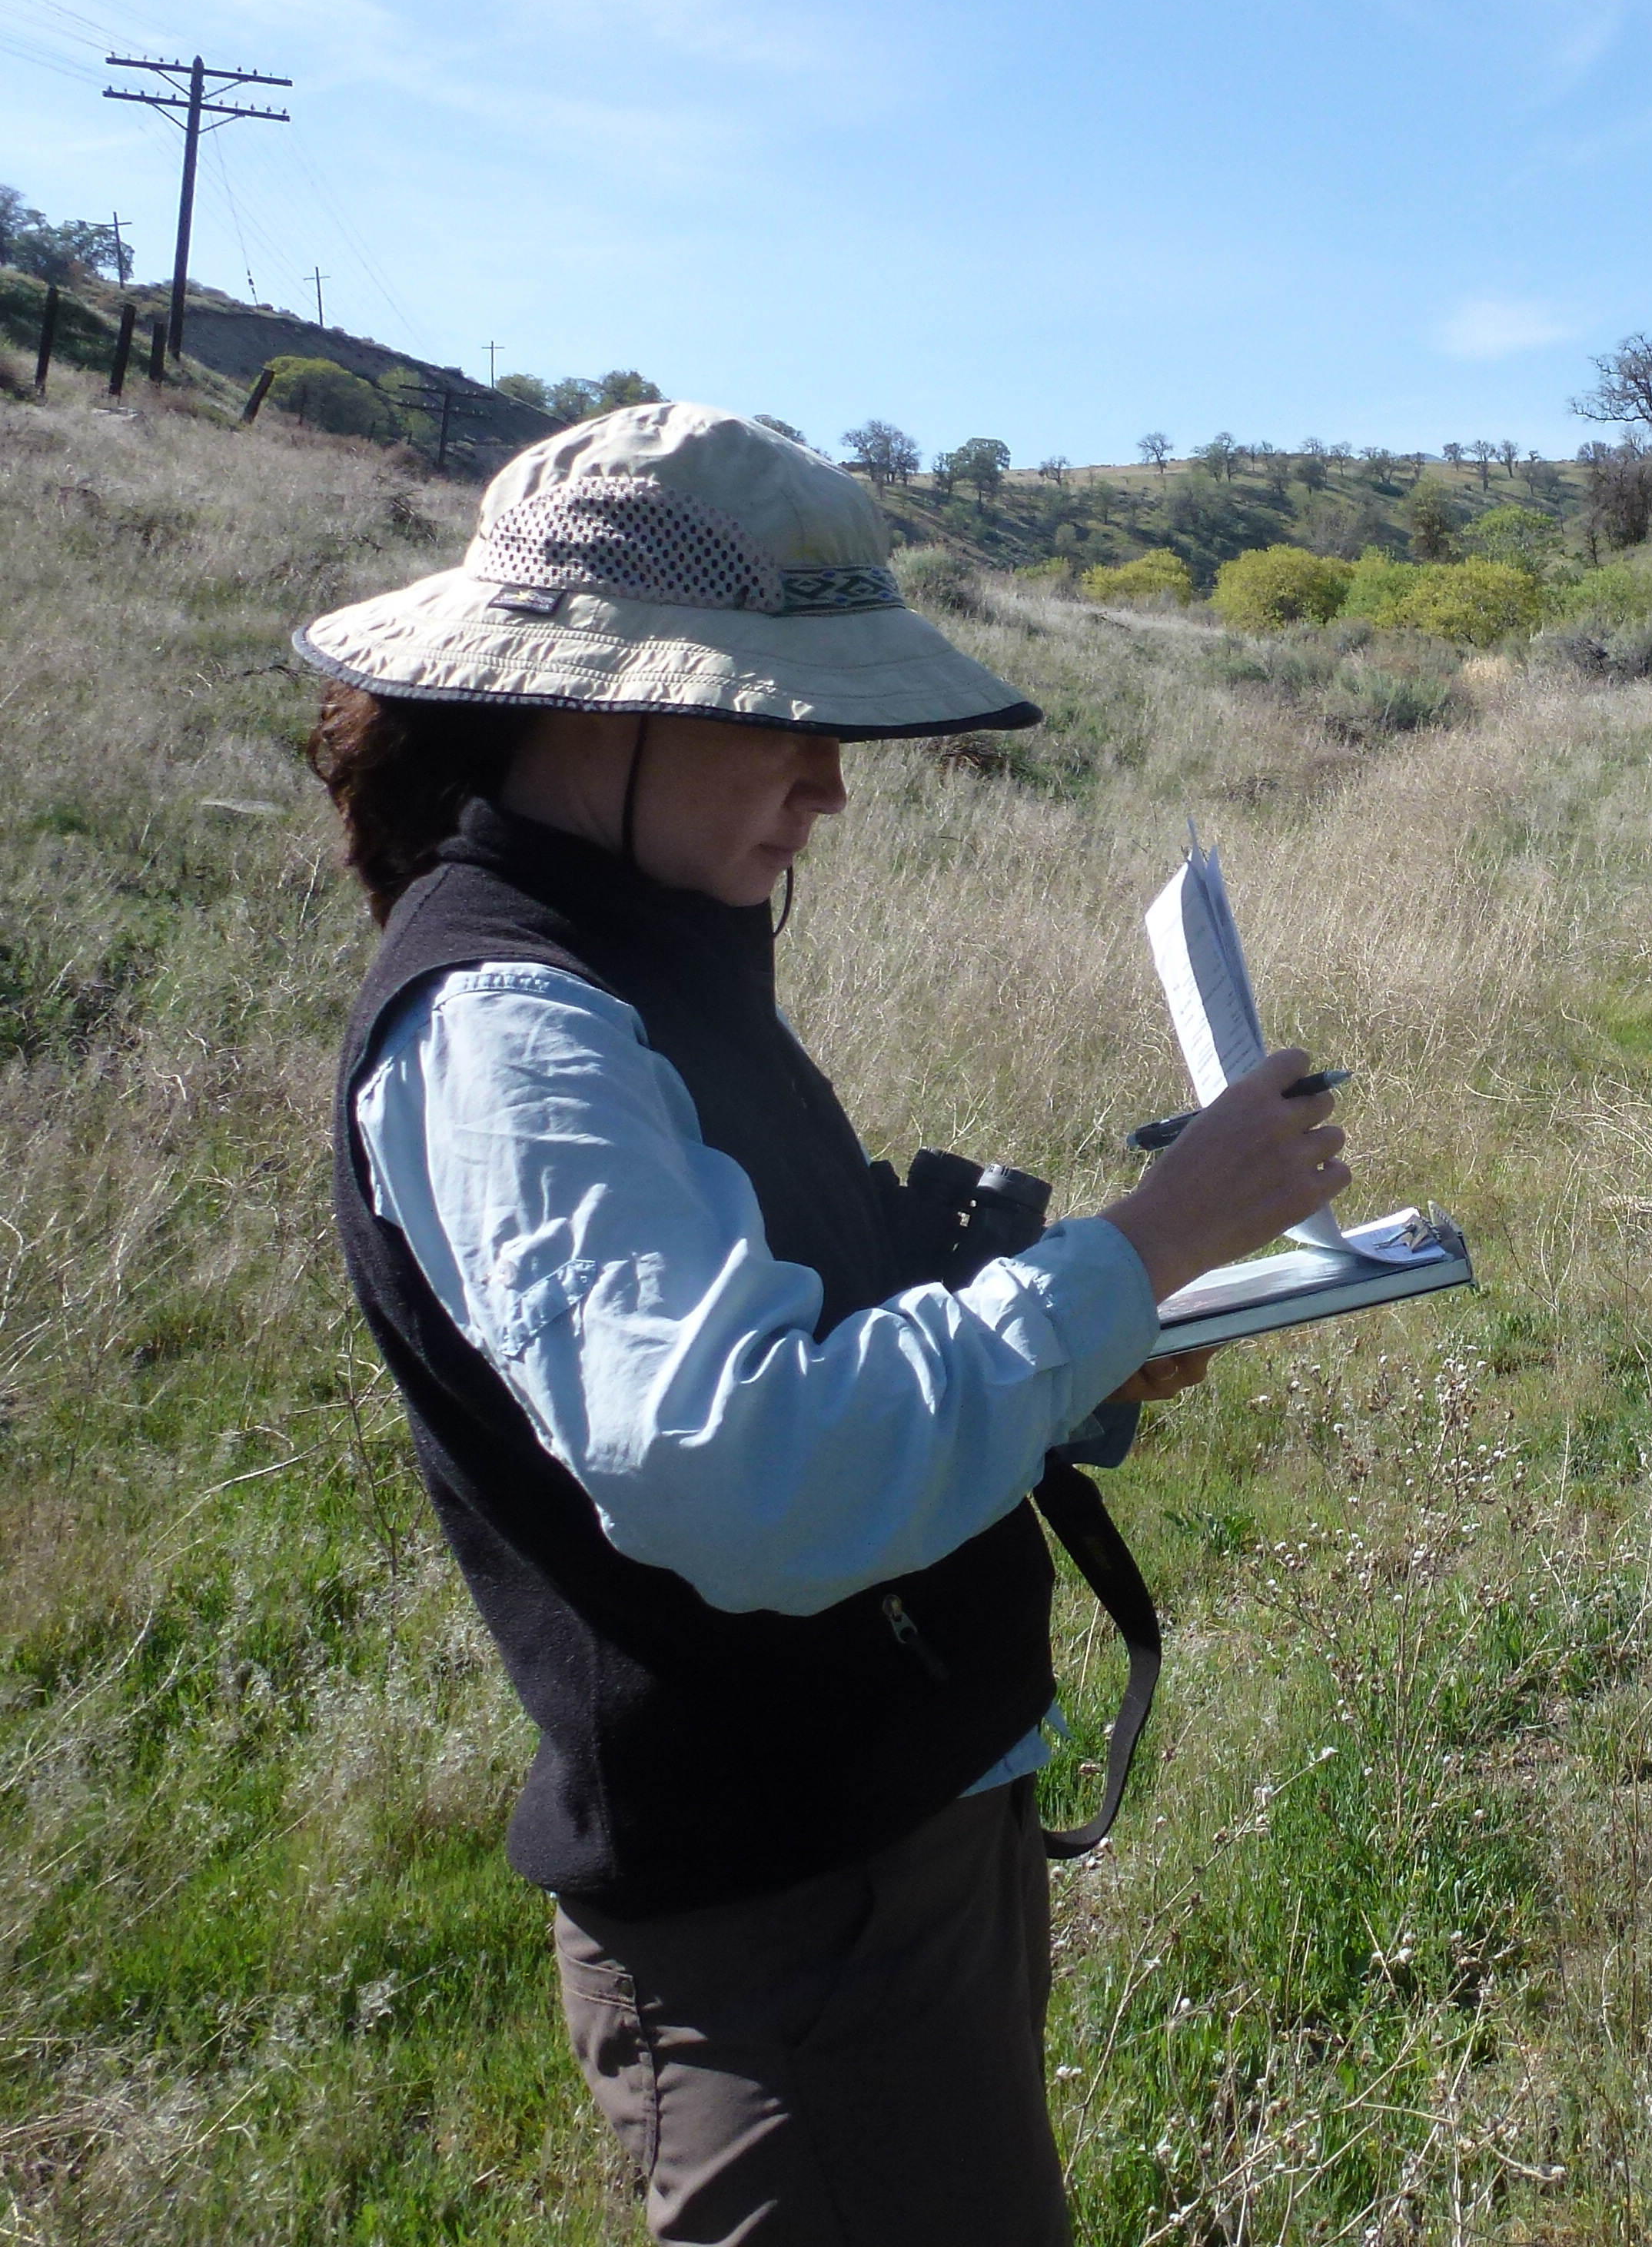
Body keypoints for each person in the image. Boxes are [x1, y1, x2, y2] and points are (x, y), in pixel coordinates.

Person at [294, 403, 1341, 2243]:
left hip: (884, 1852)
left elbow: (789, 1332)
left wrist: (1090, 1335)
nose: (831, 788)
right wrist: (1143, 1243)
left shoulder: (642, 947)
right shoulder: (517, 1034)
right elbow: (752, 1467)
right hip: (790, 1923)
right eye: (786, 722)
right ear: (601, 701)